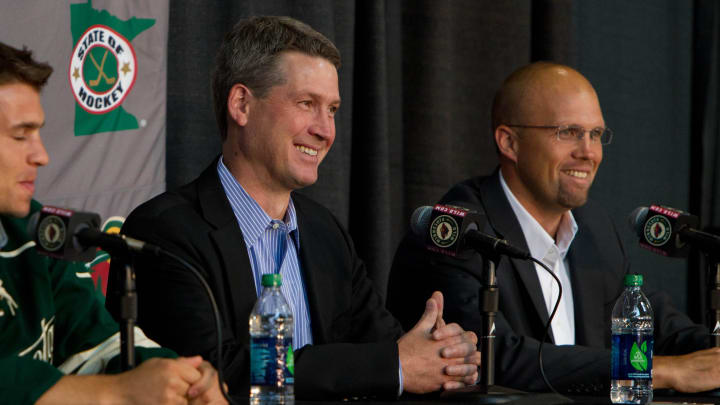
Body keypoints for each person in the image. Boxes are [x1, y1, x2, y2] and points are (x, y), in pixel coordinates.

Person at [105, 16, 481, 400]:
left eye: (332, 110)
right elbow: (214, 374)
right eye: (307, 104)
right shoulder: (163, 232)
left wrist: (441, 356)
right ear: (242, 105)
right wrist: (393, 366)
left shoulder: (325, 232)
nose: (325, 130)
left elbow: (385, 347)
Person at [388, 61, 720, 394]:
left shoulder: (595, 229)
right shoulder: (460, 233)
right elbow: (496, 357)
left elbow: (659, 327)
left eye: (595, 134)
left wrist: (710, 351)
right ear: (509, 142)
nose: (589, 152)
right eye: (569, 133)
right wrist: (653, 369)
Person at [0, 42, 227, 404]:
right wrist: (116, 393)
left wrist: (179, 378)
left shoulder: (35, 228)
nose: (41, 155)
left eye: (39, 133)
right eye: (19, 135)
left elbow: (94, 340)